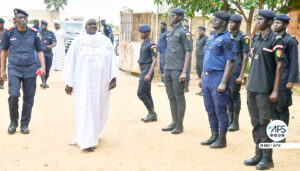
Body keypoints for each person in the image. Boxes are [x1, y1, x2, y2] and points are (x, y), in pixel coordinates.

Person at [63, 17, 119, 152]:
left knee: (99, 109)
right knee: (86, 108)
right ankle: (87, 141)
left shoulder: (105, 41)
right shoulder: (78, 42)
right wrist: (69, 82)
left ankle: (93, 134)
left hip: (101, 84)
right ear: (85, 26)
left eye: (94, 24)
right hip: (83, 84)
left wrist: (113, 78)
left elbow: (112, 59)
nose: (93, 26)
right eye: (90, 24)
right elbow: (70, 62)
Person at [244, 10, 285, 170]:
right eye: (257, 19)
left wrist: (275, 91)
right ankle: (258, 154)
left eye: (261, 19)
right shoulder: (255, 39)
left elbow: (280, 65)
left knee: (265, 122)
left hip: (265, 90)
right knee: (255, 123)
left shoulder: (276, 40)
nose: (258, 21)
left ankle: (267, 158)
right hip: (252, 88)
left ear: (269, 22)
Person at [0, 9, 46, 135]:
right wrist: (2, 70)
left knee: (29, 98)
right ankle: (13, 122)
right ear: (14, 20)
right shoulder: (8, 33)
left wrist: (42, 66)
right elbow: (3, 52)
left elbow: (40, 50)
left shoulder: (34, 33)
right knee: (14, 95)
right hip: (14, 68)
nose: (23, 20)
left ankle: (25, 123)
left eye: (25, 18)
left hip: (30, 69)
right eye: (20, 17)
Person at [199, 11, 236, 149]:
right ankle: (213, 135)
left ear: (224, 22)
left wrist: (224, 82)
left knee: (220, 108)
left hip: (218, 77)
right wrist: (202, 76)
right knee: (210, 108)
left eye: (216, 19)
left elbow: (230, 62)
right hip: (207, 77)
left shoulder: (227, 39)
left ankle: (222, 139)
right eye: (213, 18)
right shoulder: (211, 38)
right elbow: (207, 59)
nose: (213, 21)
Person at [161, 8, 193, 134]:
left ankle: (179, 125)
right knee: (171, 96)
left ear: (180, 17)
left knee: (179, 96)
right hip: (168, 68)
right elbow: (169, 51)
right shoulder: (170, 32)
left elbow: (189, 52)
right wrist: (164, 70)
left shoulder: (184, 32)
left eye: (173, 16)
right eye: (171, 15)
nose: (171, 18)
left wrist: (184, 71)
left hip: (178, 69)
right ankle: (174, 121)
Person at [273, 14, 299, 134]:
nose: (275, 24)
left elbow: (294, 61)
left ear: (285, 24)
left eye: (278, 23)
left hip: (284, 78)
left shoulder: (290, 40)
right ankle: (275, 132)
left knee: (282, 107)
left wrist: (291, 80)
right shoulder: (273, 38)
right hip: (273, 78)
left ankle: (281, 135)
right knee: (273, 107)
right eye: (275, 22)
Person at [227, 14, 250, 132]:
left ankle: (235, 122)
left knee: (234, 94)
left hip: (236, 69)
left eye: (232, 23)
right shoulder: (227, 35)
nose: (230, 24)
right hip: (227, 70)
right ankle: (230, 119)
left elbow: (245, 57)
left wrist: (241, 75)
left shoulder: (243, 37)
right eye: (229, 22)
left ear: (238, 24)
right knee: (227, 95)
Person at [137, 24, 158, 123]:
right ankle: (152, 114)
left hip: (147, 70)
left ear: (147, 33)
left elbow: (154, 60)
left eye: (141, 32)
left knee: (140, 93)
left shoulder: (151, 44)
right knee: (147, 93)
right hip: (143, 70)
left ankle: (152, 113)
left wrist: (149, 74)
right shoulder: (144, 42)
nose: (140, 34)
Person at [39, 20, 56, 88]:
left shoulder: (51, 33)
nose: (42, 26)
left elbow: (54, 42)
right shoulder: (38, 33)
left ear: (46, 26)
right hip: (41, 53)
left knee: (48, 69)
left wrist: (52, 45)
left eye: (43, 25)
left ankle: (44, 82)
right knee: (42, 67)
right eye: (41, 25)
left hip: (49, 53)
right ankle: (43, 82)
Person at [195, 26, 208, 96]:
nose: (199, 32)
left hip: (203, 58)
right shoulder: (198, 38)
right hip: (198, 58)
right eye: (198, 30)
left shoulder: (206, 38)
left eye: (200, 30)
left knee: (204, 74)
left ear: (204, 31)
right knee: (199, 73)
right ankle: (202, 89)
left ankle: (204, 90)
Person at [183, 25, 193, 93]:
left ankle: (186, 87)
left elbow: (189, 47)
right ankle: (184, 86)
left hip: (187, 55)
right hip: (182, 56)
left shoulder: (188, 35)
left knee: (187, 71)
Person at [0, 18, 5, 89]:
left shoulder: (6, 31)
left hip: (3, 52)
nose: (1, 25)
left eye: (2, 23)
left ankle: (1, 82)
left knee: (2, 66)